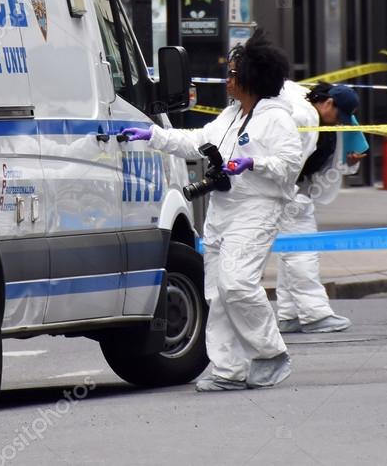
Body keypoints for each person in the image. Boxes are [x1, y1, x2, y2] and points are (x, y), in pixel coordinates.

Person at [122, 30, 304, 392]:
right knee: (216, 293)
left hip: (257, 210)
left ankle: (271, 352)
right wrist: (155, 136)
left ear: (252, 77)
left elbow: (289, 163)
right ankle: (229, 369)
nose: (228, 80)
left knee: (237, 283)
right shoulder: (231, 116)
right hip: (223, 211)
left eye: (234, 74)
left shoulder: (276, 119)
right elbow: (197, 140)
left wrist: (253, 163)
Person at [275, 81, 368, 334]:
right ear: (328, 103)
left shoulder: (319, 118)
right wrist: (291, 194)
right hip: (288, 193)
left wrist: (348, 160)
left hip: (292, 191)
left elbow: (325, 159)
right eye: (339, 115)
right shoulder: (305, 118)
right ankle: (315, 314)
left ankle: (289, 313)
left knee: (291, 252)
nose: (340, 122)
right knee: (302, 252)